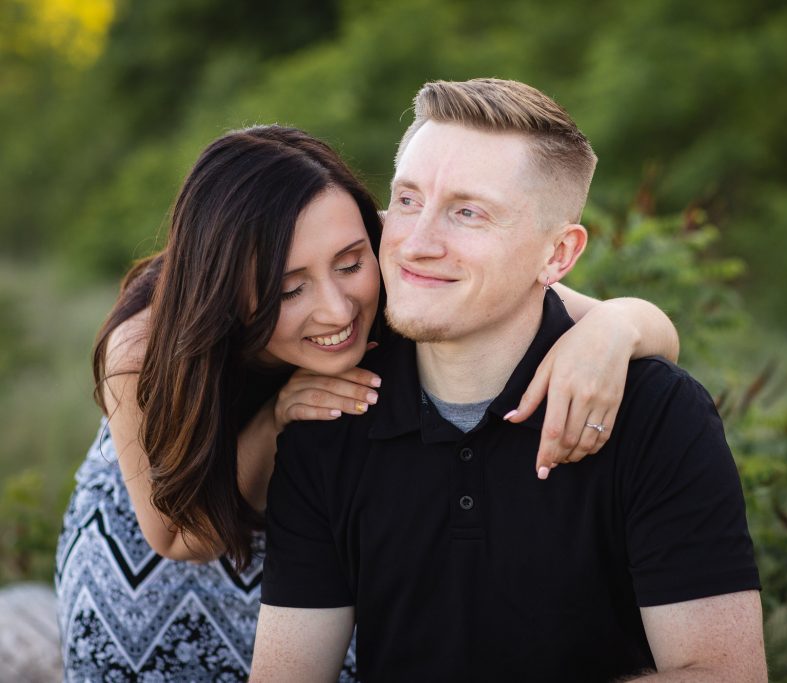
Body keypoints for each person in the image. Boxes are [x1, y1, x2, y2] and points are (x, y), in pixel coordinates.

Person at [54, 125, 682, 681]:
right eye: (288, 289)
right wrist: (278, 420)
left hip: (315, 544)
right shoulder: (143, 349)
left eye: (350, 264)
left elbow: (647, 331)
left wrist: (611, 333)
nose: (336, 309)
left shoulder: (394, 254)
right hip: (165, 561)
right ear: (223, 289)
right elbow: (177, 537)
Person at [251, 79, 767, 682]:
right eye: (409, 200)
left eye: (468, 213)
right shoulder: (330, 416)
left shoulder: (654, 414)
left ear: (558, 256)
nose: (417, 245)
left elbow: (726, 676)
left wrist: (619, 326)